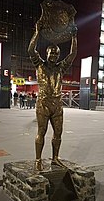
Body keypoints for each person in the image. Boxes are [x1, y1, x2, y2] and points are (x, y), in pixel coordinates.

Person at [28, 20, 77, 170]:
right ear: (46, 53)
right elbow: (31, 50)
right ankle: (38, 160)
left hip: (57, 104)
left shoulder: (60, 68)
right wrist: (37, 32)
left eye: (57, 53)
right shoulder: (39, 64)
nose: (54, 55)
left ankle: (55, 158)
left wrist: (74, 37)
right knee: (41, 132)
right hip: (43, 103)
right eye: (52, 52)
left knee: (58, 133)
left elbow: (72, 54)